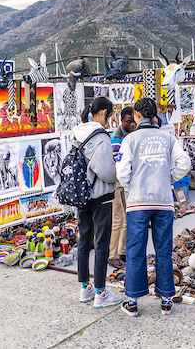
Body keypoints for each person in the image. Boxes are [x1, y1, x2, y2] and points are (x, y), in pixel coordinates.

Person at [116, 97, 191, 316]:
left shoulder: (130, 140)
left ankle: (132, 302)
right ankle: (166, 300)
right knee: (164, 250)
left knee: (135, 250)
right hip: (163, 201)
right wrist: (169, 178)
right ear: (153, 115)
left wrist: (132, 187)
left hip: (138, 203)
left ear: (137, 115)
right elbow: (184, 164)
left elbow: (122, 172)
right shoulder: (167, 138)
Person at [72, 97, 121, 308]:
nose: (109, 120)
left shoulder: (77, 132)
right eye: (109, 116)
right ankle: (101, 292)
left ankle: (85, 288)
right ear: (103, 113)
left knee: (84, 241)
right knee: (101, 243)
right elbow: (107, 173)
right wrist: (116, 168)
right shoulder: (101, 137)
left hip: (80, 195)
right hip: (100, 197)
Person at [109, 106, 136, 268]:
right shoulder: (117, 138)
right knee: (118, 219)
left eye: (134, 121)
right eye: (128, 122)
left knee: (127, 218)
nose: (132, 124)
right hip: (117, 182)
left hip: (127, 183)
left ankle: (123, 251)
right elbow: (117, 165)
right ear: (121, 121)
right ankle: (112, 255)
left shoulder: (132, 135)